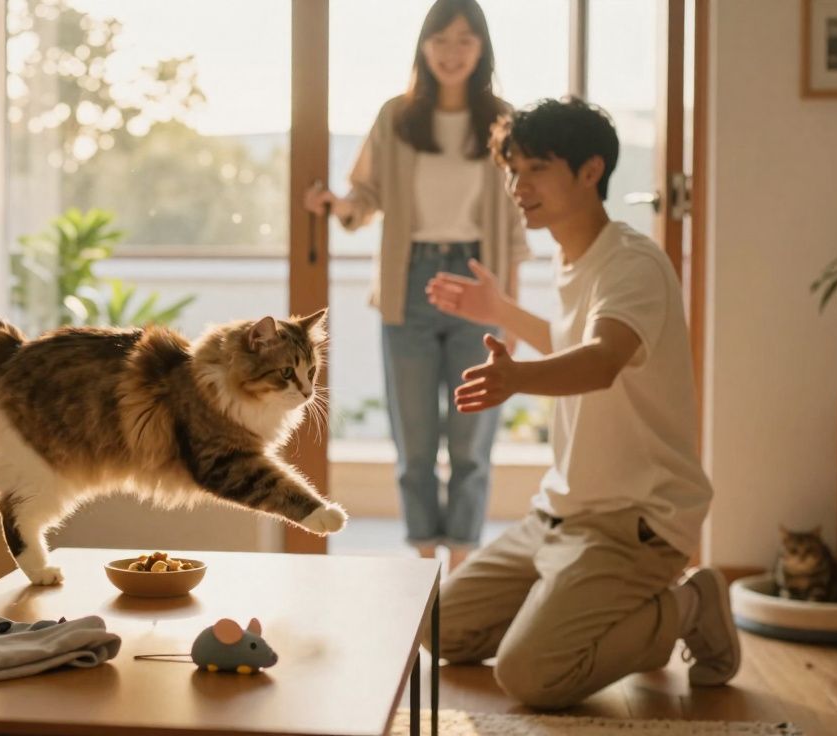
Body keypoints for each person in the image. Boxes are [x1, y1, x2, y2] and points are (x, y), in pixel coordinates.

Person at [422, 97, 738, 708]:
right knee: (441, 628)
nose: (519, 185)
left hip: (636, 523)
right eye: (513, 170)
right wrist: (502, 313)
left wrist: (516, 379)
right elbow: (575, 338)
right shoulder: (574, 260)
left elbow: (601, 360)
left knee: (532, 676)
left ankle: (691, 603)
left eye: (536, 168)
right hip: (558, 516)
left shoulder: (630, 263)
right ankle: (563, 603)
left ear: (590, 171)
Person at [303, 0, 529, 571]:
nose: (452, 53)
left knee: (473, 440)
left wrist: (512, 310)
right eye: (441, 40)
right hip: (410, 281)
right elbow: (366, 196)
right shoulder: (395, 117)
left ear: (482, 49)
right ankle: (424, 564)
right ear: (423, 48)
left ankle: (460, 569)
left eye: (465, 41)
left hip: (481, 279)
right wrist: (338, 207)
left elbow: (518, 215)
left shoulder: (503, 118)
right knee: (415, 441)